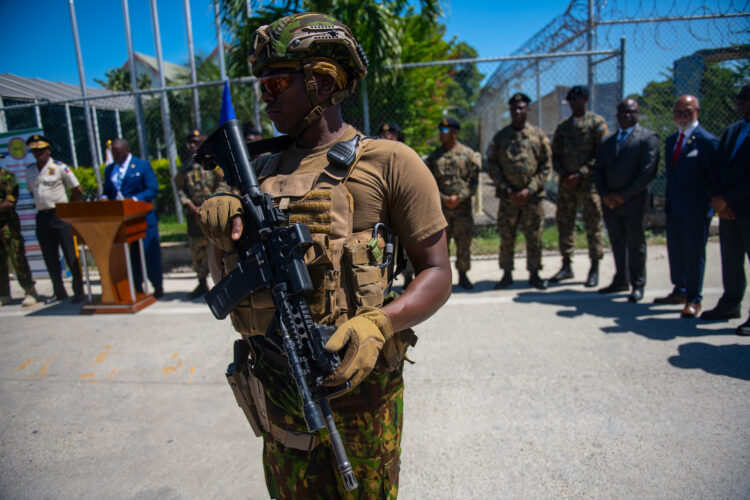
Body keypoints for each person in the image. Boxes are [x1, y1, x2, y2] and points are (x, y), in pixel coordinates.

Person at [198, 12, 451, 499]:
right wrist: (221, 234)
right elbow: (224, 283)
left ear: (322, 81)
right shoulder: (259, 172)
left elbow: (437, 273)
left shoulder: (391, 162)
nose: (265, 96)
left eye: (275, 81)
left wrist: (380, 324)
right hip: (275, 377)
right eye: (262, 84)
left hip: (359, 383)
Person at [654, 95, 718, 318]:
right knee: (677, 252)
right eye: (678, 113)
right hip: (675, 207)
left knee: (694, 254)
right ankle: (679, 290)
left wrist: (710, 207)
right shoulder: (672, 140)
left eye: (687, 112)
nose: (682, 117)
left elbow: (715, 178)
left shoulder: (707, 141)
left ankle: (694, 299)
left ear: (697, 112)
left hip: (696, 210)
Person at [594, 98, 659, 302]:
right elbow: (598, 170)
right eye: (622, 112)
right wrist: (605, 194)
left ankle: (638, 284)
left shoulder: (648, 138)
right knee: (617, 241)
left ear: (638, 113)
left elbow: (647, 172)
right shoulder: (607, 141)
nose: (626, 116)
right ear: (617, 115)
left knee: (635, 243)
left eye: (631, 112)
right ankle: (620, 279)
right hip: (610, 203)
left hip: (633, 201)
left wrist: (623, 196)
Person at [487, 92, 551, 290]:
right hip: (509, 198)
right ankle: (507, 274)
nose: (517, 111)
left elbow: (546, 165)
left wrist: (530, 189)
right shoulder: (501, 137)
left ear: (528, 109)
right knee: (507, 237)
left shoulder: (538, 136)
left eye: (521, 108)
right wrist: (508, 189)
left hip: (532, 198)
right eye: (514, 108)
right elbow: (493, 166)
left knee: (534, 236)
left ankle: (534, 274)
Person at [701, 82, 750, 335]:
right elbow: (717, 168)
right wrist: (717, 197)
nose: (740, 101)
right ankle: (730, 304)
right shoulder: (733, 131)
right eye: (739, 97)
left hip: (743, 206)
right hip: (728, 208)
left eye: (745, 97)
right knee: (731, 260)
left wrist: (728, 199)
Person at [549, 85, 608, 288]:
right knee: (565, 224)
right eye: (570, 100)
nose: (573, 103)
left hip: (588, 185)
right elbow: (554, 155)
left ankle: (594, 268)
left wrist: (581, 174)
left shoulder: (597, 124)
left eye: (576, 99)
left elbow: (602, 155)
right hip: (567, 185)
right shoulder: (564, 127)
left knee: (593, 225)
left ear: (585, 99)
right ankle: (567, 265)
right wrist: (564, 175)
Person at [24, 134, 85, 304]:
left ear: (48, 150)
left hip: (60, 215)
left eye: (41, 150)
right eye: (35, 151)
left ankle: (78, 290)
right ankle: (59, 292)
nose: (38, 154)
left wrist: (69, 208)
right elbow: (32, 191)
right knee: (49, 256)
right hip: (42, 217)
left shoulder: (59, 167)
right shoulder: (30, 170)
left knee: (70, 254)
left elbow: (77, 189)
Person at [103, 138, 164, 298]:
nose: (114, 156)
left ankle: (157, 285)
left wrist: (135, 200)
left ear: (126, 151)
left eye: (117, 153)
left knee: (150, 255)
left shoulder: (142, 166)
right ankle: (136, 287)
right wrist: (104, 197)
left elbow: (152, 189)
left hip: (143, 219)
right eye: (112, 153)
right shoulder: (109, 169)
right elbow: (107, 191)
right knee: (132, 256)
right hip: (121, 221)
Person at [425, 117, 481, 290]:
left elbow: (473, 182)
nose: (441, 134)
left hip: (462, 209)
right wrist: (443, 198)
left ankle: (463, 275)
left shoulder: (469, 155)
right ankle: (444, 280)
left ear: (455, 133)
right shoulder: (434, 157)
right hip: (441, 210)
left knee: (464, 243)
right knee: (441, 247)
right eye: (440, 130)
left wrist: (459, 198)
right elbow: (429, 181)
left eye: (445, 131)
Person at [175, 128, 220, 299]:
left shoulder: (215, 162)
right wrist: (190, 206)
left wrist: (210, 205)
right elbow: (180, 189)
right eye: (190, 143)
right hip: (194, 216)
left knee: (218, 247)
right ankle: (202, 283)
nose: (193, 146)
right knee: (197, 248)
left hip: (214, 213)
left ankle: (221, 282)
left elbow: (223, 184)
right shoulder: (186, 167)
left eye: (197, 142)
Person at [378, 122, 414, 288]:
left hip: (402, 207)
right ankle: (384, 280)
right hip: (383, 209)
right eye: (383, 134)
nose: (386, 136)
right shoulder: (375, 157)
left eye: (391, 133)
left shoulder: (406, 155)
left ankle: (408, 277)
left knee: (407, 246)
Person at [0, 154, 39, 307]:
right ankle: (3, 294)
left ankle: (30, 290)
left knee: (17, 258)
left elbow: (9, 202)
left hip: (8, 227)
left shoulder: (7, 177)